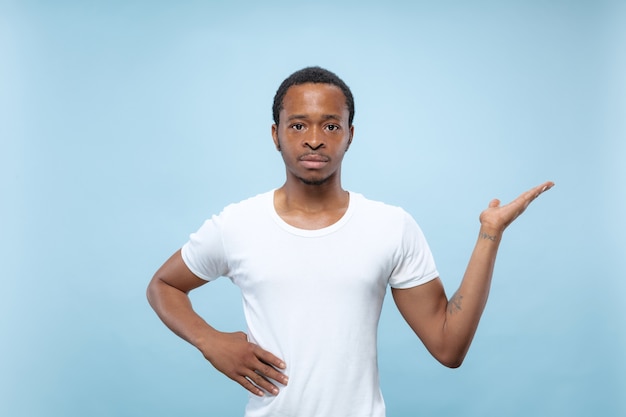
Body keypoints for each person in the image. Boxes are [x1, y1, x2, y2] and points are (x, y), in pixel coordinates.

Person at [147, 66, 553, 417]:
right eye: (298, 124)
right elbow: (162, 285)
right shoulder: (237, 223)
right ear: (276, 134)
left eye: (330, 125)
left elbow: (449, 347)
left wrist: (490, 234)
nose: (314, 139)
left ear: (350, 134)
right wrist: (209, 341)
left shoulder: (391, 226)